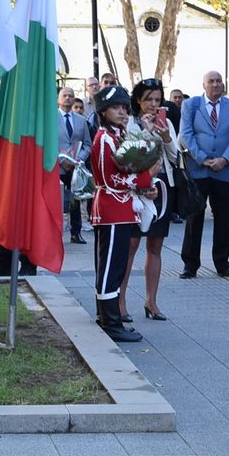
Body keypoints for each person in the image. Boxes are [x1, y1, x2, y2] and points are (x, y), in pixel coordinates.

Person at [89, 85, 157, 342]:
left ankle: (108, 316)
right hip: (110, 207)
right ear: (103, 112)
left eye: (124, 108)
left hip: (122, 207)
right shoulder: (104, 138)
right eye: (116, 108)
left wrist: (144, 184)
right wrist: (143, 178)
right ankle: (110, 321)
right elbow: (111, 179)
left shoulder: (119, 135)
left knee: (116, 265)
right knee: (110, 267)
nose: (122, 112)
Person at [117, 78, 179, 321]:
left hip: (162, 186)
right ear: (138, 101)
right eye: (148, 100)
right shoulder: (129, 124)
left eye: (157, 100)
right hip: (136, 189)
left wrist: (165, 137)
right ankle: (120, 302)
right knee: (130, 246)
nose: (153, 105)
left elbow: (175, 158)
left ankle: (151, 301)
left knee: (155, 246)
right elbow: (130, 157)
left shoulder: (167, 122)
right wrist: (146, 131)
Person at [178, 70, 229, 279]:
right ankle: (190, 264)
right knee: (195, 217)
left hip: (223, 169)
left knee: (223, 218)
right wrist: (202, 158)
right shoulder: (191, 105)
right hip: (199, 168)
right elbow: (186, 135)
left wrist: (224, 159)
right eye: (211, 81)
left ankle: (222, 263)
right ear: (204, 85)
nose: (215, 84)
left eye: (219, 81)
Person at [57, 86, 92, 244]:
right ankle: (55, 232)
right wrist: (61, 159)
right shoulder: (50, 118)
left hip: (76, 167)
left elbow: (87, 144)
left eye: (71, 95)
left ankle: (75, 232)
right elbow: (47, 143)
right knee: (56, 200)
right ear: (58, 99)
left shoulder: (81, 120)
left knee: (75, 200)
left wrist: (79, 159)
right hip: (57, 166)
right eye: (65, 95)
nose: (68, 98)